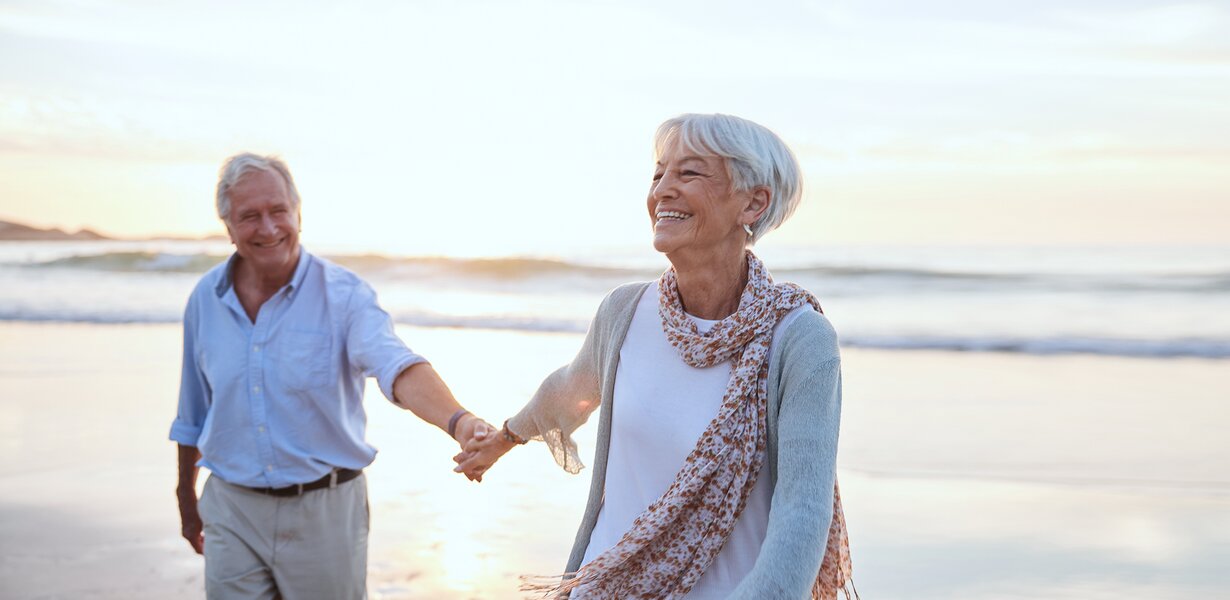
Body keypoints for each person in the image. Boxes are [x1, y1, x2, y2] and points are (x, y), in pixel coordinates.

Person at [456, 114, 855, 599]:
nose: (662, 190)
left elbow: (803, 509)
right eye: (658, 174)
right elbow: (569, 390)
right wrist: (505, 438)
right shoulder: (624, 312)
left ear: (753, 202)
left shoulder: (798, 338)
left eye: (689, 173)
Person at [170, 153, 492, 599]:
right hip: (232, 508)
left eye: (278, 211)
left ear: (298, 213)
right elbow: (192, 410)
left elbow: (395, 365)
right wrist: (186, 498)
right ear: (227, 226)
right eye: (249, 216)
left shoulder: (345, 296)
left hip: (325, 511)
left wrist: (458, 421)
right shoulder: (206, 298)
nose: (268, 228)